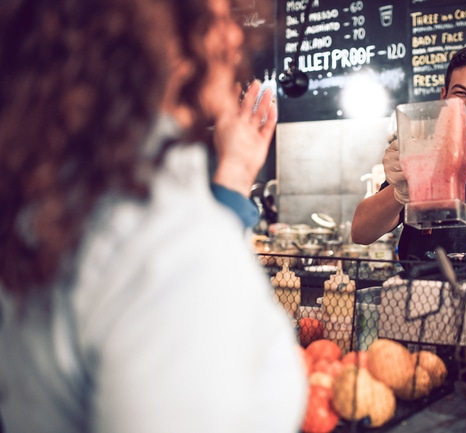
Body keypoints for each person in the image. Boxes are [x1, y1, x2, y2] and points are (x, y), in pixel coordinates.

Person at [0, 1, 306, 433]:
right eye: (214, 19)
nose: (235, 37)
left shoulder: (58, 193)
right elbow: (164, 266)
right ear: (150, 34)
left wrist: (234, 175)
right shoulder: (174, 245)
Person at [351, 44, 466, 281]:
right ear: (444, 98)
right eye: (461, 94)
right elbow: (360, 232)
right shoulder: (420, 168)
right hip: (419, 312)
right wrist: (401, 192)